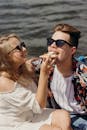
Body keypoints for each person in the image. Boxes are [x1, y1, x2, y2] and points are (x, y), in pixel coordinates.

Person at [0, 33, 73, 130]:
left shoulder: (23, 68)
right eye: (18, 48)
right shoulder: (4, 82)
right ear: (7, 57)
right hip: (15, 124)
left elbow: (36, 62)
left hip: (31, 114)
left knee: (63, 116)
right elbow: (39, 106)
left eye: (23, 45)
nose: (24, 49)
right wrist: (44, 73)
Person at [45, 23, 87, 130]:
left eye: (59, 43)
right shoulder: (46, 66)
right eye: (50, 41)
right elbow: (25, 64)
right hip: (60, 114)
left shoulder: (83, 75)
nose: (53, 46)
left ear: (72, 51)